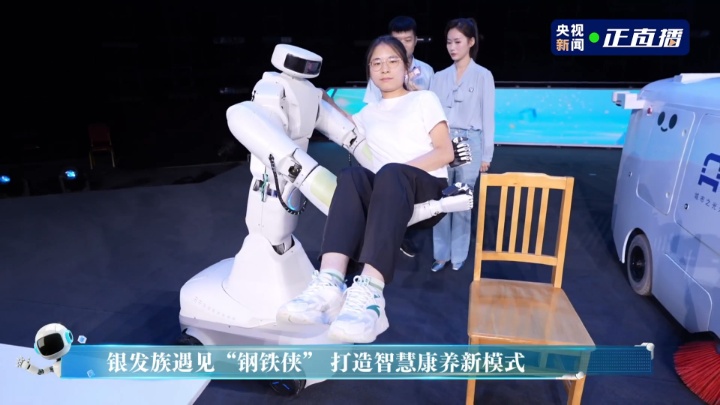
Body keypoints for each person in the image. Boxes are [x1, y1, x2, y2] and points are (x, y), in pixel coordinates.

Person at [277, 35, 455, 344]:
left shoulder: (424, 100)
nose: (384, 69)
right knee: (352, 176)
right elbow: (342, 119)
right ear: (369, 71)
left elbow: (445, 152)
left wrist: (397, 172)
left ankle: (371, 293)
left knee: (389, 173)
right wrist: (318, 96)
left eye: (392, 61)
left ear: (407, 67)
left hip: (426, 184)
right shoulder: (369, 113)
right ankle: (330, 282)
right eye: (376, 63)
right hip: (389, 189)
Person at [364, 15, 435, 258]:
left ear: (415, 41)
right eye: (397, 40)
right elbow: (370, 108)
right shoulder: (380, 71)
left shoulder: (427, 72)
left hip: (415, 144)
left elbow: (432, 112)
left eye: (407, 40)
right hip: (384, 141)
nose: (403, 45)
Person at [430, 17, 496, 272]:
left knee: (461, 200)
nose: (452, 47)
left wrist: (486, 155)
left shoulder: (483, 76)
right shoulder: (439, 77)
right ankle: (441, 255)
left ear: (471, 42)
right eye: (449, 42)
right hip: (443, 141)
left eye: (457, 42)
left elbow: (488, 116)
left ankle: (458, 255)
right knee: (440, 198)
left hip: (470, 141)